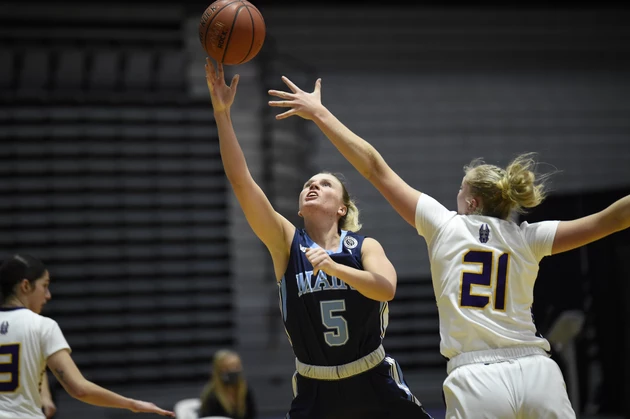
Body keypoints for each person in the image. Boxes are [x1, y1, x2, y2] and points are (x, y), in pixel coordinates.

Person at [267, 76, 630, 418]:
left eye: (460, 189)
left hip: (476, 375)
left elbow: (374, 168)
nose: (455, 195)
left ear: (471, 202)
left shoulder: (443, 224)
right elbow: (608, 220)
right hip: (537, 369)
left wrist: (319, 112)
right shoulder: (528, 236)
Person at [204, 57, 432, 419]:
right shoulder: (286, 243)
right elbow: (242, 183)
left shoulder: (364, 246)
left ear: (342, 208)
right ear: (298, 208)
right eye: (308, 183)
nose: (312, 185)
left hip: (372, 378)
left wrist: (335, 268)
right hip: (316, 387)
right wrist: (221, 114)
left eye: (325, 184)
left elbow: (385, 289)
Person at [0, 254, 175, 419]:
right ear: (25, 286)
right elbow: (80, 389)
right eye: (44, 286)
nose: (48, 295)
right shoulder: (42, 325)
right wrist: (132, 404)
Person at [198, 349, 257, 419]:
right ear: (218, 370)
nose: (233, 370)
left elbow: (252, 415)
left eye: (236, 367)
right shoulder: (211, 396)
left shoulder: (245, 390)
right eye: (228, 367)